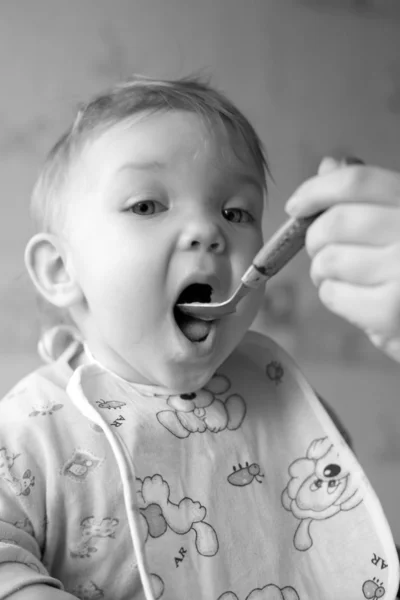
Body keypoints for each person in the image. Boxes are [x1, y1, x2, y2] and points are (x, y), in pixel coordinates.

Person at [1, 75, 399, 600]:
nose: (208, 231)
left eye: (235, 212)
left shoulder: (282, 397)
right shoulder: (33, 427)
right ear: (59, 269)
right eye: (147, 206)